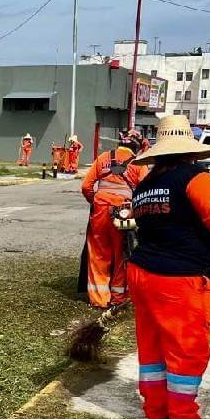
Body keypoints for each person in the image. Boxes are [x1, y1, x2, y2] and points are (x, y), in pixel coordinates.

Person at [126, 115, 210, 419]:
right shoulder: (197, 178)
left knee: (153, 349)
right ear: (190, 151)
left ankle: (157, 413)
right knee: (186, 352)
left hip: (142, 273)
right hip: (180, 280)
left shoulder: (146, 184)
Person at [80, 129, 147, 308]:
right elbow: (145, 191)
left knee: (98, 254)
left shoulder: (103, 158)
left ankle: (99, 299)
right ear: (138, 147)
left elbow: (86, 186)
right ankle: (118, 298)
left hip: (100, 210)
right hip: (125, 211)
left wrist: (95, 202)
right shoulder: (139, 164)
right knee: (123, 252)